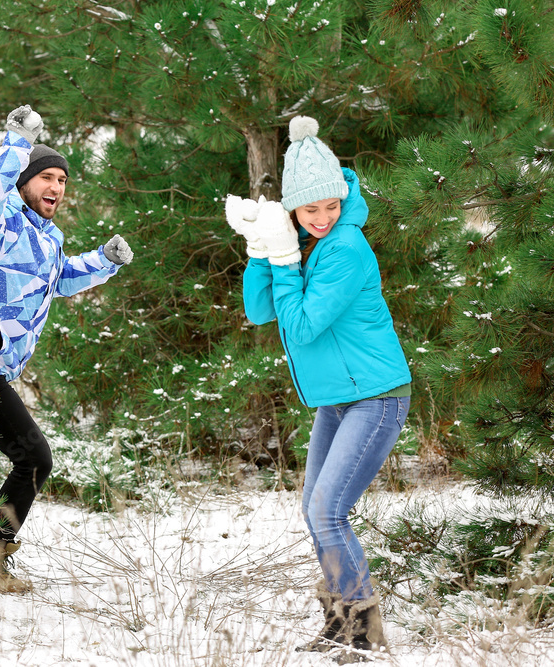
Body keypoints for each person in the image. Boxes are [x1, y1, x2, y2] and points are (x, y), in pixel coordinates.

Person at [226, 116, 412, 662]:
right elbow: (260, 310)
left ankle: (363, 633)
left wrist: (286, 260)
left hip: (377, 396)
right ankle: (338, 621)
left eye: (331, 204)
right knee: (314, 508)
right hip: (339, 400)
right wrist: (265, 250)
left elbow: (304, 325)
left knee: (329, 509)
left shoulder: (346, 248)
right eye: (311, 210)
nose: (324, 217)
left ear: (341, 196)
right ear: (292, 210)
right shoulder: (303, 242)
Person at [0, 105, 133, 593]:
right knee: (35, 460)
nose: (57, 188)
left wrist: (104, 261)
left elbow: (59, 279)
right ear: (22, 181)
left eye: (63, 180)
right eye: (46, 176)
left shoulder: (46, 238)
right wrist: (16, 144)